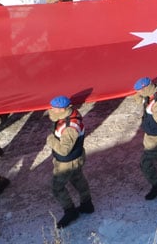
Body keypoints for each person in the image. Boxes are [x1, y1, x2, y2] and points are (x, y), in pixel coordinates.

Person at [46, 96, 94, 228]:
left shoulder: (69, 127)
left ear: (62, 109)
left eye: (54, 108)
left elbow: (64, 150)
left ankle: (70, 211)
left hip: (67, 162)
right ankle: (87, 204)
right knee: (78, 179)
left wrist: (51, 140)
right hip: (75, 158)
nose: (51, 110)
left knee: (57, 187)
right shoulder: (70, 116)